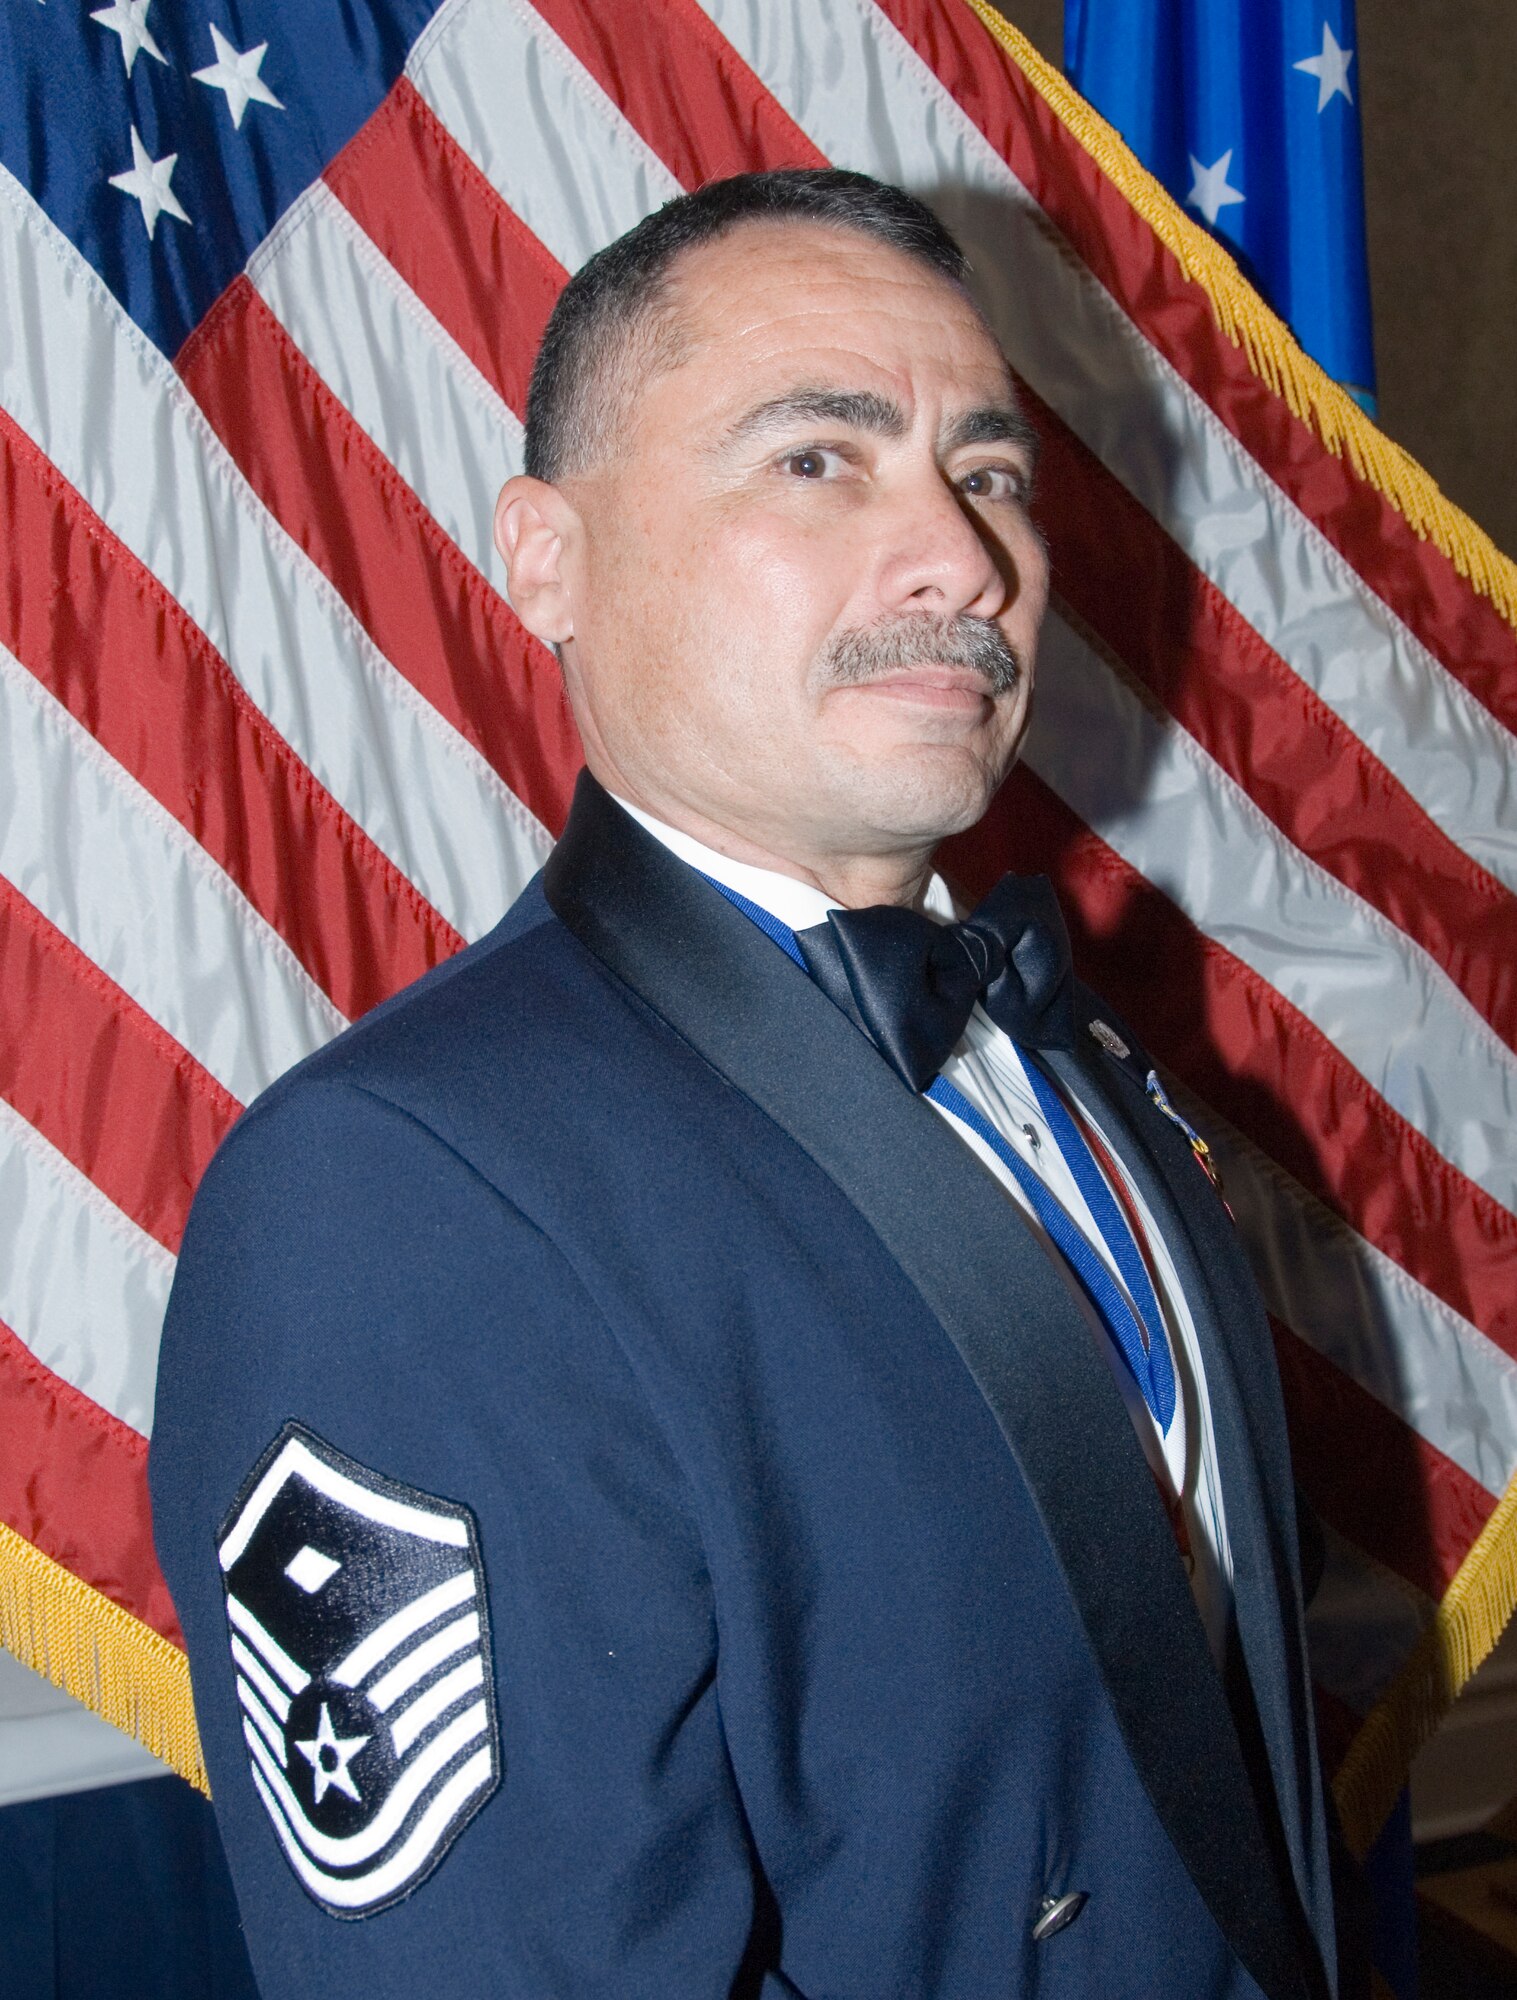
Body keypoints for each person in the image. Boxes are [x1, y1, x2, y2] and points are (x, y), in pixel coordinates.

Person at [151, 169, 1342, 1999]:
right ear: (544, 554)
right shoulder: (400, 1194)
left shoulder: (1075, 1055)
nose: (961, 551)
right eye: (817, 457)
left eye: (991, 470)